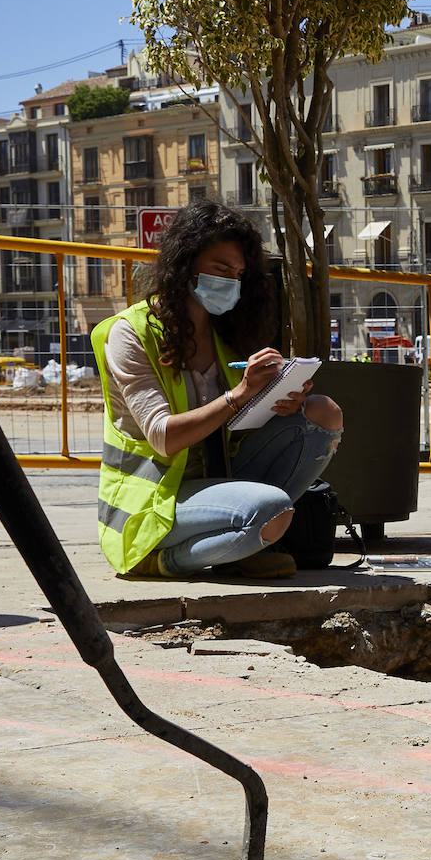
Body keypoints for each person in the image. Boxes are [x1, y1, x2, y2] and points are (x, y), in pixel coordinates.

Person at [92, 199, 343, 579]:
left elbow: (232, 429)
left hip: (214, 479)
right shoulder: (129, 333)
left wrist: (277, 401)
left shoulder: (226, 335)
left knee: (322, 412)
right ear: (185, 265)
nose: (231, 281)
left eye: (239, 273)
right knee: (272, 510)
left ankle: (246, 537)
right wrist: (240, 394)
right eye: (221, 269)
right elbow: (162, 437)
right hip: (154, 498)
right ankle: (159, 559)